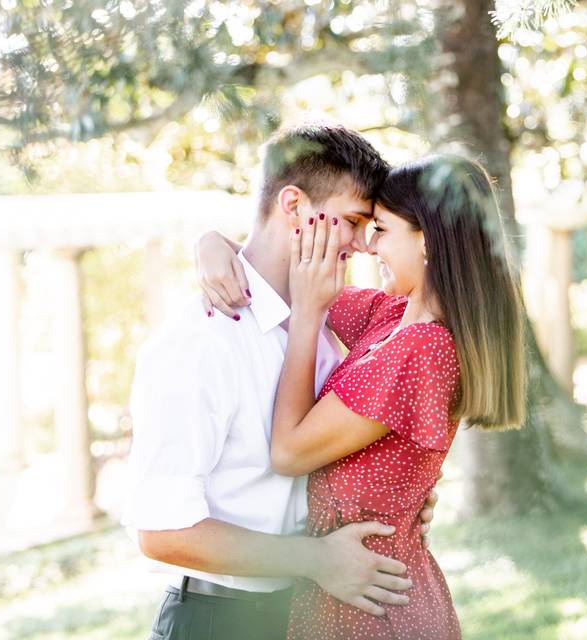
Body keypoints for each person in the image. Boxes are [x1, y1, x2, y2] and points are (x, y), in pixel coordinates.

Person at [123, 122, 438, 640]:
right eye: (353, 221)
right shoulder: (201, 344)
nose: (362, 245)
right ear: (293, 207)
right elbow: (160, 531)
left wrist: (404, 487)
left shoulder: (323, 322)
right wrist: (316, 559)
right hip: (217, 621)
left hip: (307, 612)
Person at [197, 154, 526, 639]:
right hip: (347, 589)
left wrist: (308, 317)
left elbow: (288, 452)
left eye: (382, 231)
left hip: (375, 609)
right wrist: (208, 244)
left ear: (429, 240)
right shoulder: (390, 317)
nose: (369, 248)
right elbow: (279, 274)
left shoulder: (424, 348)